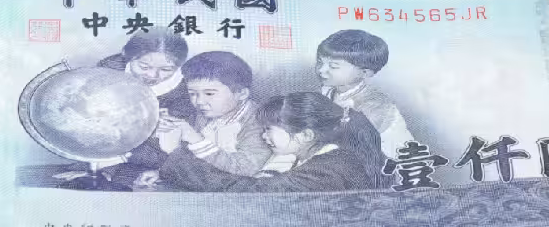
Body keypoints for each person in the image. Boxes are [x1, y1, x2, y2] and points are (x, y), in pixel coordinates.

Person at [156, 92, 387, 192]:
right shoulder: (328, 158)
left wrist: (175, 154)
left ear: (306, 135)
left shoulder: (327, 170)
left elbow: (248, 192)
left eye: (269, 129)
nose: (263, 136)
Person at [54, 28, 192, 184]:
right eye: (144, 67)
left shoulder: (185, 88)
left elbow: (174, 142)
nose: (153, 75)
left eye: (166, 69)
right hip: (110, 141)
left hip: (152, 155)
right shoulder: (109, 68)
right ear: (128, 56)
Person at [147, 51, 272, 179]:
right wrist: (164, 172)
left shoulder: (261, 122)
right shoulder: (205, 114)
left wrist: (196, 139)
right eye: (193, 94)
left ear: (241, 94)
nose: (199, 101)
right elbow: (194, 161)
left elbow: (245, 169)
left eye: (209, 94)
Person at [315, 29, 414, 157]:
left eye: (333, 66)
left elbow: (350, 146)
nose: (322, 70)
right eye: (320, 62)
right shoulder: (327, 92)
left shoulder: (375, 105)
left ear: (365, 72)